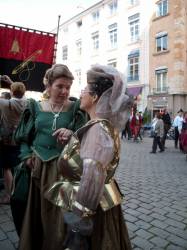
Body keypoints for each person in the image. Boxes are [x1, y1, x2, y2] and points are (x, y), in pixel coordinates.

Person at [50, 65, 133, 250]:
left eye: (85, 90)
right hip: (99, 206)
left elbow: (92, 177)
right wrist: (73, 141)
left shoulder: (97, 129)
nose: (81, 94)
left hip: (91, 214)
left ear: (95, 97)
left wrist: (78, 226)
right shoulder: (101, 126)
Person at [17, 64, 87, 250]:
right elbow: (24, 138)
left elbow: (85, 136)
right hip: (39, 169)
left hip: (64, 171)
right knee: (39, 214)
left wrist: (72, 133)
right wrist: (26, 155)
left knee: (59, 217)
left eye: (68, 87)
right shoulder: (35, 107)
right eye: (60, 86)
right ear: (48, 86)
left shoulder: (76, 109)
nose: (64, 91)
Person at [0, 78, 27, 204]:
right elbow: (19, 93)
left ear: (11, 92)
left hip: (8, 141)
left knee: (6, 168)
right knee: (17, 166)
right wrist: (11, 83)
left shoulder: (6, 103)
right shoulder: (26, 102)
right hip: (20, 138)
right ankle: (19, 190)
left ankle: (8, 195)